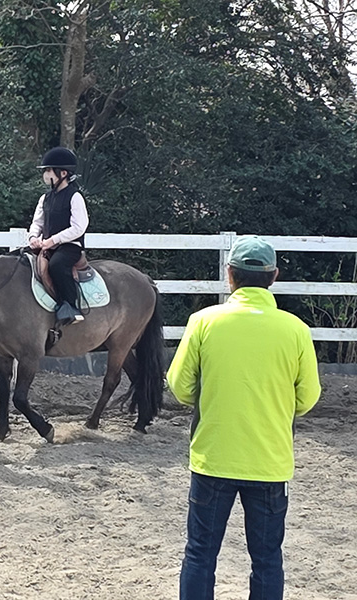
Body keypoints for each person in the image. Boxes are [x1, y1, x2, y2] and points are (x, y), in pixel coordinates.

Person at [166, 235, 321, 600]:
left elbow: (180, 386)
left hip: (213, 457)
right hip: (270, 461)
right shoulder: (296, 329)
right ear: (274, 276)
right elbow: (308, 397)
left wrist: (213, 398)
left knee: (200, 553)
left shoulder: (203, 322)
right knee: (267, 559)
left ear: (229, 274)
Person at [28, 146, 90, 325]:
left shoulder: (75, 197)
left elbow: (79, 227)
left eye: (49, 170)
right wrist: (33, 238)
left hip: (70, 247)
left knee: (57, 265)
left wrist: (53, 240)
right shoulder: (45, 198)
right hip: (47, 245)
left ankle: (70, 307)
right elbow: (37, 222)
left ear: (63, 173)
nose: (46, 174)